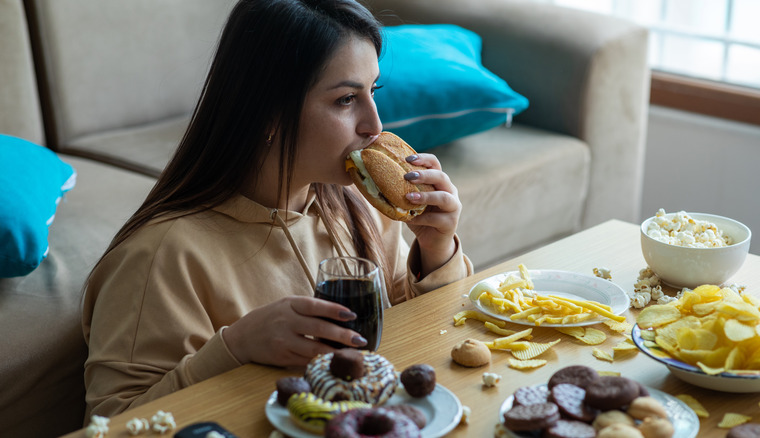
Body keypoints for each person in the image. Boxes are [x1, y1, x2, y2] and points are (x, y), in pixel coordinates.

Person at [82, 0, 472, 419]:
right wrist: (234, 348)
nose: (375, 125)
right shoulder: (160, 257)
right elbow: (112, 423)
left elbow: (423, 345)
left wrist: (436, 251)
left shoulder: (363, 204)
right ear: (267, 113)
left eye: (372, 92)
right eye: (345, 99)